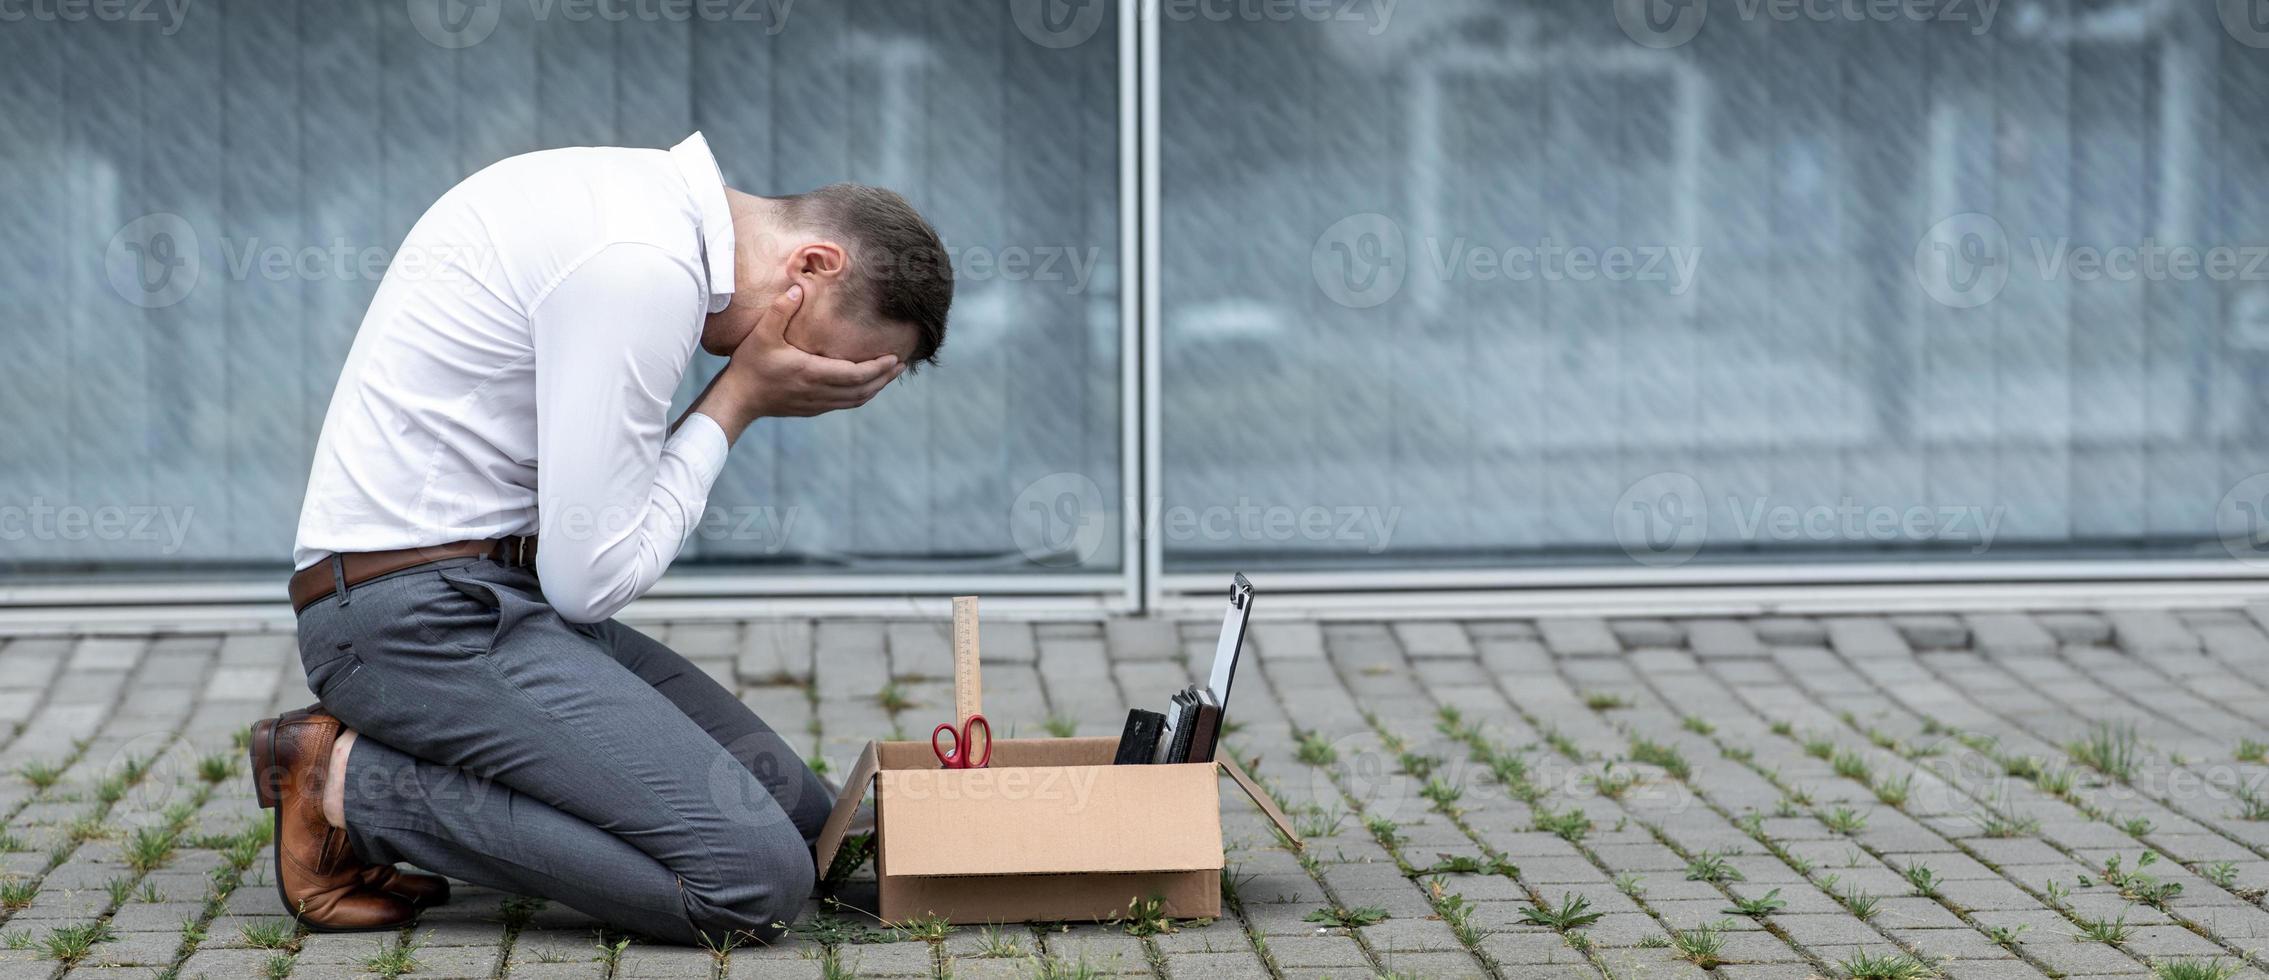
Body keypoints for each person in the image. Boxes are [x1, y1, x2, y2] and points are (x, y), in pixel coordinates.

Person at [249, 133, 952, 943]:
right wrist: (740, 400)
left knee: (807, 826)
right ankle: (348, 785)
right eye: (836, 359)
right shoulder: (639, 265)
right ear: (814, 265)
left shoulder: (639, 209)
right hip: (408, 620)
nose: (822, 380)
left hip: (497, 597)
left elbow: (572, 566)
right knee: (752, 883)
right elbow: (593, 576)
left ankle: (450, 765)